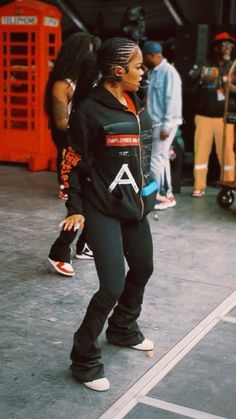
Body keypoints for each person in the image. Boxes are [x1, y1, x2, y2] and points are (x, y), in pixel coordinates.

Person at [61, 37, 154, 391]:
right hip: (102, 209)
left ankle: (123, 329)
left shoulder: (135, 102)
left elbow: (140, 154)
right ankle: (84, 357)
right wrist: (76, 209)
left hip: (136, 206)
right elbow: (73, 162)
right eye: (137, 66)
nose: (142, 71)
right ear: (118, 72)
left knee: (143, 268)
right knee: (112, 285)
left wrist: (152, 188)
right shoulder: (89, 110)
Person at [46, 32, 101, 276]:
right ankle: (59, 250)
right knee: (79, 202)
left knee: (96, 199)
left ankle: (84, 244)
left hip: (92, 145)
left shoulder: (90, 80)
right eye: (89, 51)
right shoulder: (62, 84)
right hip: (73, 148)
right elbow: (60, 123)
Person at [190, 32, 236, 197]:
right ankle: (199, 186)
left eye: (230, 45)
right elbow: (190, 83)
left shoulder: (234, 67)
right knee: (201, 152)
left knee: (228, 154)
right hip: (204, 117)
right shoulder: (205, 64)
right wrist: (200, 76)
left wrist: (232, 89)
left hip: (225, 118)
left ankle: (229, 185)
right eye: (224, 45)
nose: (228, 48)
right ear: (217, 48)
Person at [142, 41, 183, 210]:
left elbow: (172, 100)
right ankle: (166, 194)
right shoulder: (152, 72)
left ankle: (160, 195)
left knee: (156, 159)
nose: (143, 61)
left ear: (152, 56)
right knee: (161, 158)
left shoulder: (169, 72)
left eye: (145, 57)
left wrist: (167, 126)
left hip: (164, 123)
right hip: (155, 123)